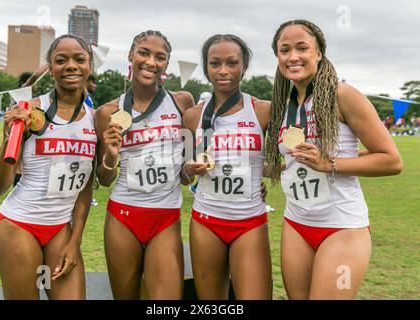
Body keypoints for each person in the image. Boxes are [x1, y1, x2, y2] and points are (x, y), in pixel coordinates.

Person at [266, 19, 403, 299]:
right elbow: (299, 162)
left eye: (302, 48)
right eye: (284, 50)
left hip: (341, 226)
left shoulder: (343, 95)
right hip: (296, 223)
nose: (293, 56)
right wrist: (269, 168)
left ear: (318, 53)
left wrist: (328, 164)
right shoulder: (284, 103)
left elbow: (390, 160)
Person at [0, 34, 96, 299]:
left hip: (60, 228)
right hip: (19, 224)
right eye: (61, 60)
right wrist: (7, 138)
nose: (71, 65)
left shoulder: (97, 120)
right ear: (50, 67)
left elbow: (84, 189)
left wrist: (75, 241)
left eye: (79, 59)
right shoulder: (29, 111)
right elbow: (0, 186)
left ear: (89, 66)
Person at [95, 30, 194, 299]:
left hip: (165, 217)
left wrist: (191, 170)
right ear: (130, 55)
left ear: (166, 64)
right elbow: (104, 179)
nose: (151, 62)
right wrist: (111, 157)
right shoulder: (107, 112)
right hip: (123, 216)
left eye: (159, 57)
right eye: (144, 53)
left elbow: (187, 176)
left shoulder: (182, 101)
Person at [183, 34, 272, 300]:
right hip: (206, 222)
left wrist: (261, 174)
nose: (223, 71)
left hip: (250, 222)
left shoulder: (263, 110)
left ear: (244, 65)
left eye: (232, 63)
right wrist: (190, 169)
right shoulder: (192, 116)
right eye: (215, 63)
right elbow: (183, 176)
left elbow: (279, 163)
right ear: (206, 67)